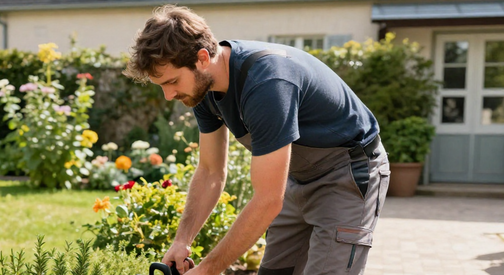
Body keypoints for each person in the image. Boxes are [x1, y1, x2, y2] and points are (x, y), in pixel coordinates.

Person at [122, 4, 390, 275]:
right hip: (296, 178)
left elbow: (268, 199)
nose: (169, 95)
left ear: (203, 58)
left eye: (172, 82)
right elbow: (210, 172)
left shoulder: (267, 84)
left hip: (347, 174)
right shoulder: (203, 90)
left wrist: (208, 270)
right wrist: (182, 240)